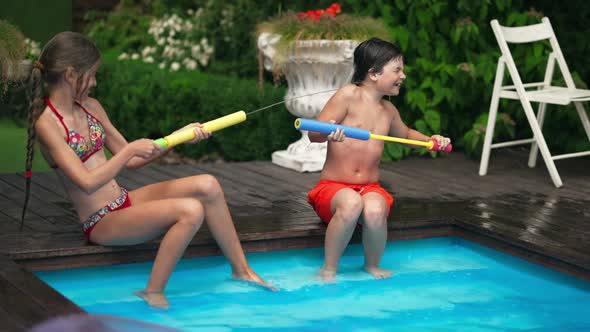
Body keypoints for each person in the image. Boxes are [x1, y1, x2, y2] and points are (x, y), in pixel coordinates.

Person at [21, 31, 273, 309]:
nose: (94, 82)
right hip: (101, 221)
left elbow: (132, 160)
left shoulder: (90, 107)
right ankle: (153, 291)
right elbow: (87, 182)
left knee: (208, 185)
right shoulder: (48, 125)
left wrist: (179, 136)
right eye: (91, 74)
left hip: (124, 200)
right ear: (71, 74)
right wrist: (129, 150)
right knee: (190, 211)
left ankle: (242, 270)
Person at [307, 37, 451, 282]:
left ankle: (372, 265)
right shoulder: (348, 96)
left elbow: (405, 134)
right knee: (351, 203)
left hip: (370, 188)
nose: (402, 75)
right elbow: (314, 134)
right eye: (397, 69)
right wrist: (328, 131)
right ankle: (329, 269)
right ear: (373, 73)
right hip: (333, 190)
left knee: (374, 210)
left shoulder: (389, 111)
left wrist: (431, 140)